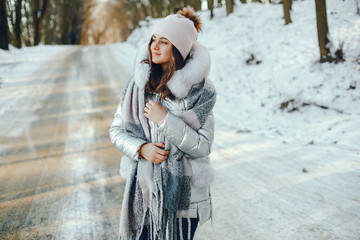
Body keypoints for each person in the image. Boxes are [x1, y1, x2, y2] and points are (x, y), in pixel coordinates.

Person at [109, 7, 216, 240]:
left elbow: (203, 145)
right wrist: (141, 149)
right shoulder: (138, 87)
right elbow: (116, 131)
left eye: (164, 42)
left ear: (178, 49)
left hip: (186, 201)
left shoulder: (200, 92)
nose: (154, 46)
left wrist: (165, 120)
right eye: (153, 40)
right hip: (146, 193)